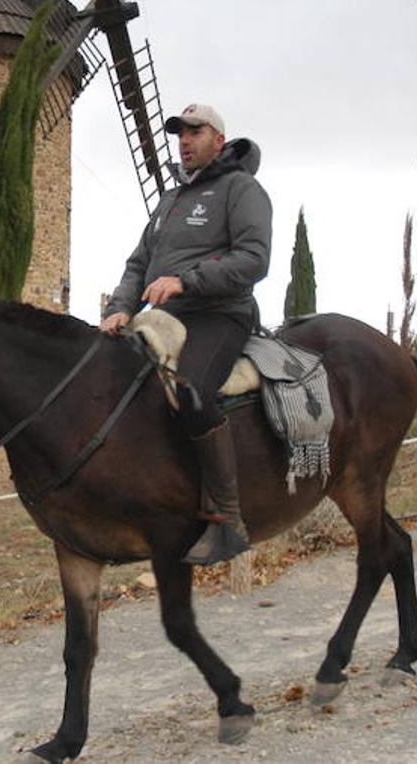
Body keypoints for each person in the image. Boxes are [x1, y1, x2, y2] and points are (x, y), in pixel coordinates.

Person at [99, 103, 272, 565]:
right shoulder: (170, 200)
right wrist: (119, 309)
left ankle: (228, 519)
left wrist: (187, 280)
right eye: (179, 132)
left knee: (191, 390)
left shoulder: (242, 189)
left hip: (218, 314)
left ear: (218, 139)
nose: (184, 140)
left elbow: (254, 258)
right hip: (161, 318)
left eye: (195, 131)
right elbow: (139, 264)